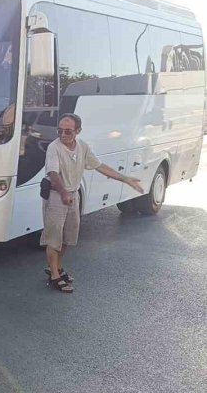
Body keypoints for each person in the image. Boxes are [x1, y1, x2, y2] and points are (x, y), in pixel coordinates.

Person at [41, 113, 144, 293]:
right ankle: (54, 276)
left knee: (67, 237)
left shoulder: (82, 146)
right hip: (56, 195)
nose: (63, 135)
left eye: (68, 131)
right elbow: (53, 173)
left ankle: (54, 267)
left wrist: (124, 178)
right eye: (60, 131)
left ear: (78, 131)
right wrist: (64, 192)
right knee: (54, 238)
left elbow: (99, 166)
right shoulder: (54, 148)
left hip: (72, 195)